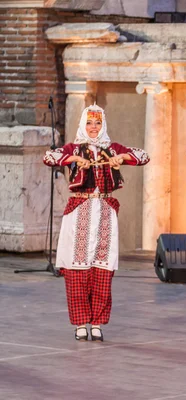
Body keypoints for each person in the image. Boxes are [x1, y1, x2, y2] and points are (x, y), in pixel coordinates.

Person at [43, 104, 149, 341]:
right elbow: (49, 156)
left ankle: (98, 323)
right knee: (77, 268)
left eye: (98, 123)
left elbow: (143, 156)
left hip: (104, 212)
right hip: (80, 211)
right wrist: (71, 158)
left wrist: (121, 157)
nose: (93, 127)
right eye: (90, 123)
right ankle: (80, 323)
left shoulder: (111, 148)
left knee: (102, 269)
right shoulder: (74, 148)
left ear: (103, 125)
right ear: (83, 124)